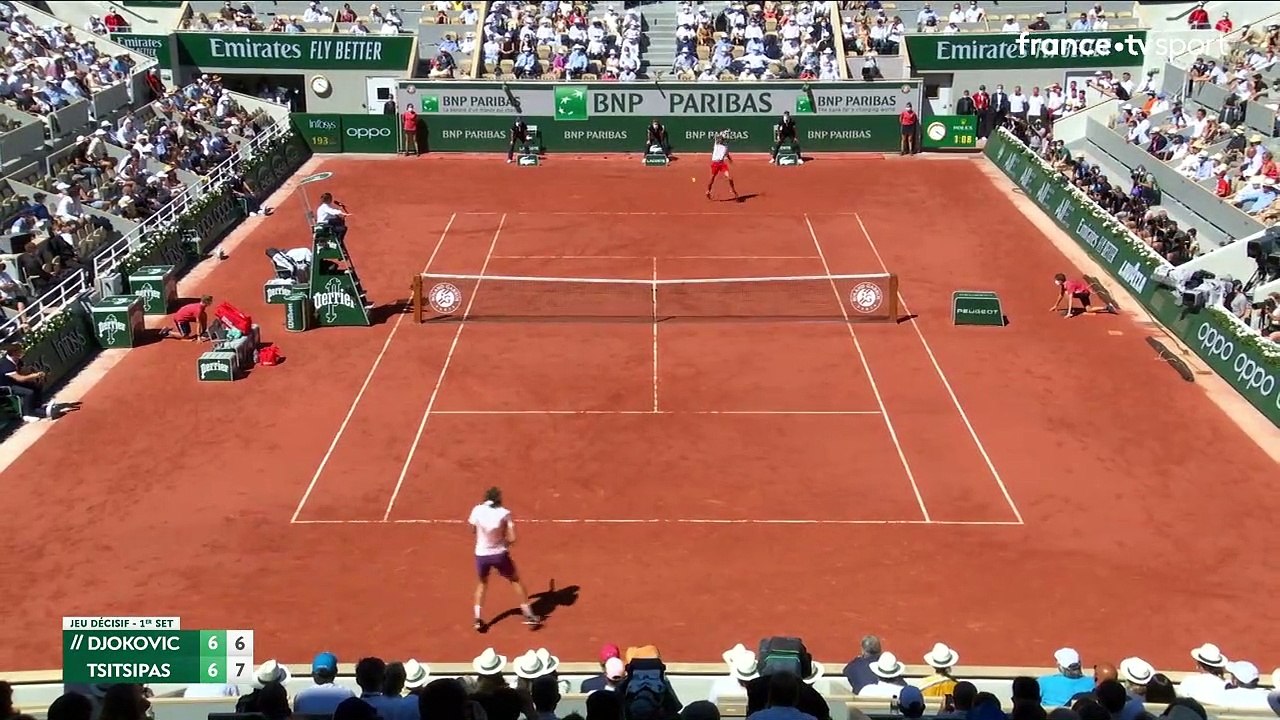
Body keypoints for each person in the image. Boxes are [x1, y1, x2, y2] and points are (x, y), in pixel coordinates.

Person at [468, 486, 542, 631]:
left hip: (481, 555)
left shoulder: (476, 510)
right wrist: (503, 543)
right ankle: (529, 616)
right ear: (499, 499)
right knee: (515, 581)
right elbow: (513, 538)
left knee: (482, 584)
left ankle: (477, 619)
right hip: (500, 555)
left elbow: (472, 529)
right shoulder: (504, 513)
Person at [1051, 274, 1116, 318]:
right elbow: (1061, 295)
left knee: (1067, 293)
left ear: (1060, 281)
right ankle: (1107, 308)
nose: (1055, 281)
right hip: (1083, 292)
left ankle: (1070, 311)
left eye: (1056, 280)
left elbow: (1070, 299)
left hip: (1084, 293)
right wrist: (1055, 305)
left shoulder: (1068, 286)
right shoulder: (1064, 285)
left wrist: (1069, 313)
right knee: (1089, 310)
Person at [706, 133, 739, 201]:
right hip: (715, 164)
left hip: (722, 164)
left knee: (730, 177)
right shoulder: (716, 143)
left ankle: (733, 190)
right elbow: (718, 136)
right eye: (719, 138)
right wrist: (725, 132)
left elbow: (727, 154)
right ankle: (708, 191)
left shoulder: (725, 147)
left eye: (721, 139)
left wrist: (730, 160)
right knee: (712, 179)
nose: (719, 139)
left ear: (723, 139)